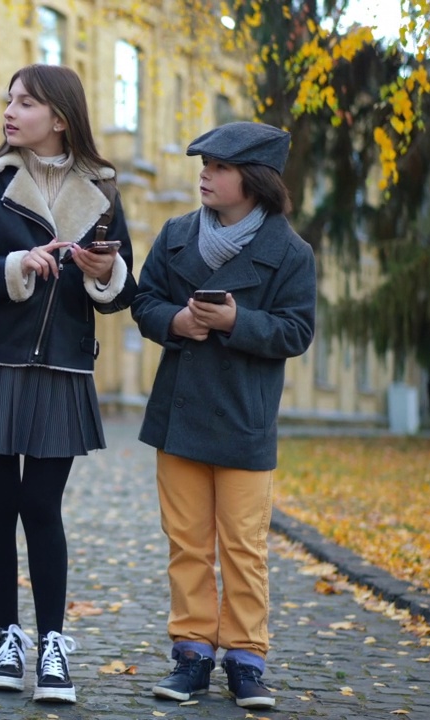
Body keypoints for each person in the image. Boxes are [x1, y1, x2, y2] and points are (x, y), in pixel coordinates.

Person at [0, 64, 137, 705]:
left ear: (61, 117)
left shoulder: (101, 189)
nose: (10, 112)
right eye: (8, 99)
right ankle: (6, 637)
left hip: (64, 368)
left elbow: (118, 292)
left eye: (26, 103)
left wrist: (104, 270)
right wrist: (13, 266)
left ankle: (52, 646)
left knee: (43, 507)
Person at [132, 121, 316, 710]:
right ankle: (190, 654)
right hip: (179, 415)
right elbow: (144, 300)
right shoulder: (178, 235)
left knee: (243, 545)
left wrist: (237, 323)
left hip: (244, 417)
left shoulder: (290, 252)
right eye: (204, 165)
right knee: (186, 543)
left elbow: (297, 330)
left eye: (219, 166)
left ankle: (245, 658)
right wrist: (175, 323)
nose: (205, 175)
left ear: (254, 181)